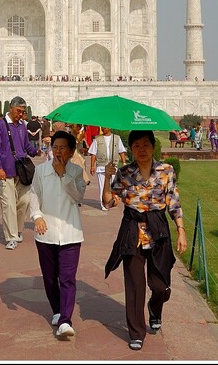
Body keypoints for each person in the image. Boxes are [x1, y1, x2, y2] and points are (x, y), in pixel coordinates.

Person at [103, 130, 187, 352]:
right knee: (135, 285)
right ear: (131, 149)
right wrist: (106, 179)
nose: (141, 150)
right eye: (137, 145)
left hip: (158, 230)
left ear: (152, 147)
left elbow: (174, 202)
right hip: (132, 231)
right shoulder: (124, 173)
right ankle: (136, 332)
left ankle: (154, 308)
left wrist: (181, 230)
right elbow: (109, 202)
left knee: (160, 286)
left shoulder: (166, 171)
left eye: (146, 145)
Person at [28, 130, 87, 339]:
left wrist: (64, 175)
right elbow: (34, 194)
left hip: (70, 232)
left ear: (71, 152)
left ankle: (65, 320)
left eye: (63, 148)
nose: (58, 151)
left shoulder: (77, 171)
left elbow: (78, 196)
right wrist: (37, 217)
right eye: (55, 147)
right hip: (46, 232)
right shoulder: (41, 170)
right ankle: (57, 310)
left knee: (68, 278)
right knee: (50, 278)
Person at [0, 96, 39, 250]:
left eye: (23, 112)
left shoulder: (21, 126)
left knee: (24, 202)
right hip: (5, 171)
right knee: (9, 205)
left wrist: (35, 151)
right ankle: (11, 237)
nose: (20, 114)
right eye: (19, 111)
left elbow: (25, 146)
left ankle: (17, 230)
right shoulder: (0, 125)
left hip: (21, 170)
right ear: (11, 108)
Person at [88, 127, 127, 211]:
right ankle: (104, 204)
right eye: (103, 127)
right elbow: (93, 153)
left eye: (106, 127)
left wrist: (124, 163)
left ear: (110, 128)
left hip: (113, 166)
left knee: (113, 186)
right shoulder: (97, 139)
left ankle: (112, 201)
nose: (104, 128)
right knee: (103, 186)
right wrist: (92, 166)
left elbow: (121, 151)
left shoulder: (116, 138)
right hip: (101, 166)